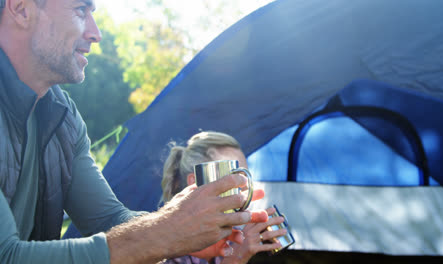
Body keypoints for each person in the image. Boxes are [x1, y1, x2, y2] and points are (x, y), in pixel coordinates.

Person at [0, 0, 268, 263]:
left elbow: (108, 221)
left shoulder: (62, 115)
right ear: (22, 9)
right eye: (80, 10)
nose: (96, 33)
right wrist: (167, 231)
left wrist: (186, 230)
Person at [159, 131, 288, 264]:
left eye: (246, 177)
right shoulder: (163, 248)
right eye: (233, 176)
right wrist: (237, 257)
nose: (245, 188)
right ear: (195, 182)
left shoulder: (233, 236)